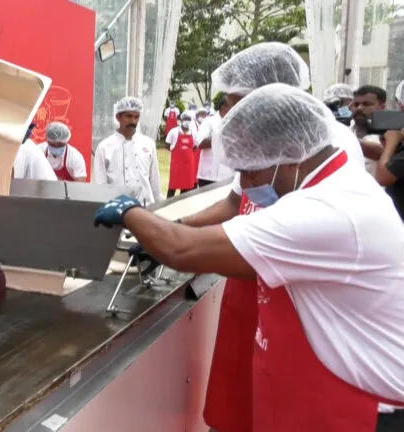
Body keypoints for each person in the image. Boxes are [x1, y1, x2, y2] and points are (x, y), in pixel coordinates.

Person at [95, 84, 404, 431]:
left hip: (362, 414)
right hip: (324, 394)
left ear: (287, 155)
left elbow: (182, 249)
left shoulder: (326, 210)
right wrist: (160, 232)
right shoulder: (334, 180)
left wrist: (129, 212)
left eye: (250, 169)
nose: (244, 182)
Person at [172, 41, 367, 432]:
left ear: (270, 93)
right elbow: (234, 203)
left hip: (290, 299)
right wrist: (179, 226)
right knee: (235, 404)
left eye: (236, 103)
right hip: (248, 295)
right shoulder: (263, 136)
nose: (230, 115)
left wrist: (174, 242)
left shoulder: (328, 141)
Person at [93, 96, 162, 205]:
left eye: (136, 117)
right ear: (118, 117)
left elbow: (155, 182)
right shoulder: (104, 147)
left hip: (145, 206)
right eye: (129, 116)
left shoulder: (148, 144)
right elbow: (100, 185)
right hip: (117, 207)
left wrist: (158, 205)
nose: (133, 121)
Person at [196, 93, 234, 187]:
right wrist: (220, 135)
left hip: (228, 176)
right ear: (223, 107)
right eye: (232, 106)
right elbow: (200, 143)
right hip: (208, 176)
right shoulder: (209, 121)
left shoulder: (235, 123)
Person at [351, 85, 387, 175]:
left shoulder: (392, 133)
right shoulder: (347, 130)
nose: (359, 108)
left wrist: (346, 139)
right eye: (356, 104)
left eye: (366, 104)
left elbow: (382, 153)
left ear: (382, 107)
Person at [165, 112, 196, 197]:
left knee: (186, 186)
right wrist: (176, 152)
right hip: (177, 164)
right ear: (181, 120)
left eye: (189, 120)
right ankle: (169, 202)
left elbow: (194, 147)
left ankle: (182, 202)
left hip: (188, 165)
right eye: (185, 119)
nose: (187, 121)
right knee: (173, 185)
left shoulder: (193, 133)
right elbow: (167, 145)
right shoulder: (174, 131)